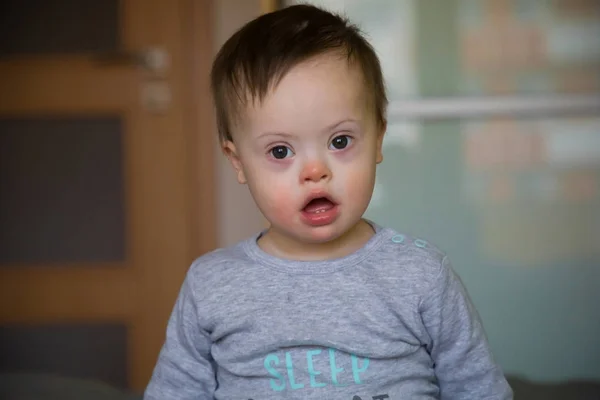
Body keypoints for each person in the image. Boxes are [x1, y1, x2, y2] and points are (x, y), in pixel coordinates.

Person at [144, 4, 513, 399]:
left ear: (378, 140)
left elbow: (477, 389)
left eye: (340, 141)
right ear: (238, 161)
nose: (315, 171)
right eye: (281, 151)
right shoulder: (212, 285)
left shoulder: (421, 276)